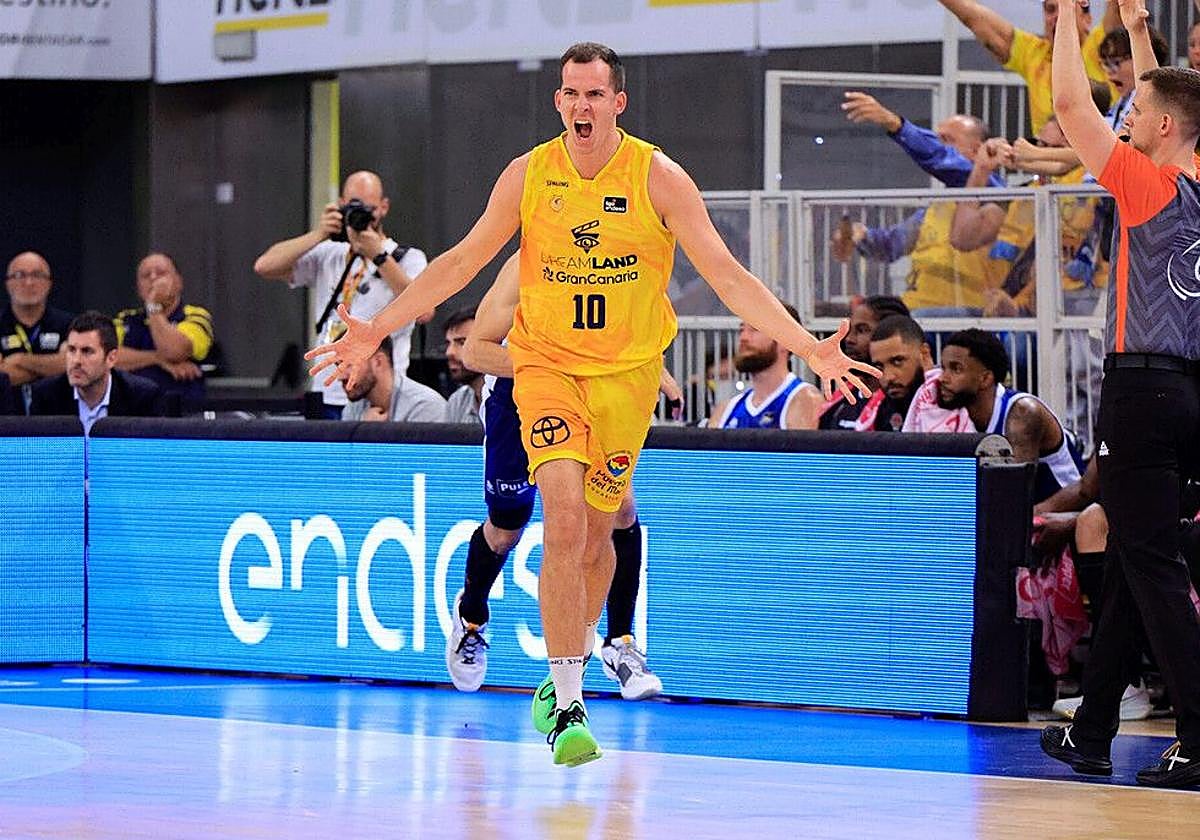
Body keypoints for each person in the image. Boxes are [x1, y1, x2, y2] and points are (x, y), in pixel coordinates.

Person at [306, 42, 876, 767]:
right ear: (559, 103)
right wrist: (377, 328)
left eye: (593, 95)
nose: (580, 106)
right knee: (563, 518)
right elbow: (458, 262)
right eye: (569, 94)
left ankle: (565, 670)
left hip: (627, 378)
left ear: (617, 103)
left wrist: (806, 345)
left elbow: (728, 276)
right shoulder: (530, 174)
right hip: (544, 368)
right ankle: (568, 700)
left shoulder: (657, 176)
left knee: (599, 537)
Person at [1037, 0, 1200, 790]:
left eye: (1135, 111)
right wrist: (1137, 34)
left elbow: (1071, 109)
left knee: (1154, 564)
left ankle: (1198, 737)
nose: (1123, 119)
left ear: (1164, 130)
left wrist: (1068, 17)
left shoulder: (1148, 187)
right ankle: (1094, 729)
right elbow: (1175, 95)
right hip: (1194, 396)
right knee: (1142, 558)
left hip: (1142, 393)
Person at [446, 253, 668, 702]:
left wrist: (647, 367)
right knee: (509, 526)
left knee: (617, 505)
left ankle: (620, 643)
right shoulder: (526, 264)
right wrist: (551, 365)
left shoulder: (614, 255)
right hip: (518, 396)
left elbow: (627, 327)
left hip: (590, 392)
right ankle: (471, 615)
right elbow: (476, 352)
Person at [253, 171, 430, 419]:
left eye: (368, 208)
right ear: (341, 206)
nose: (361, 215)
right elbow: (265, 266)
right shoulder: (330, 253)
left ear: (383, 207)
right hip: (326, 390)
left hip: (378, 392)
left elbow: (424, 311)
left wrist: (378, 257)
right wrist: (319, 233)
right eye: (352, 207)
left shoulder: (406, 258)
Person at [918, 328, 1084, 501]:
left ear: (985, 379)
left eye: (955, 369)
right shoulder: (957, 416)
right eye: (943, 368)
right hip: (1022, 515)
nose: (942, 378)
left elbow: (1014, 495)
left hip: (1066, 513)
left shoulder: (1023, 413)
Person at [935, 0, 1118, 135]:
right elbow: (974, 18)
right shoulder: (1033, 53)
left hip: (1094, 178)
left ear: (1087, 19)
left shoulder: (1104, 46)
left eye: (1067, 9)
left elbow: (1121, 6)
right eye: (1050, 9)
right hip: (1045, 180)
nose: (1057, 17)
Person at [113, 253, 214, 413]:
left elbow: (174, 351)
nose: (153, 278)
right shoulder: (125, 319)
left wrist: (153, 306)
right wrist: (157, 359)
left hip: (182, 413)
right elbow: (107, 358)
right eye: (146, 275)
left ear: (178, 282)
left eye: (161, 273)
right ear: (139, 288)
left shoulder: (195, 315)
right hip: (132, 412)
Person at [30, 311, 161, 433]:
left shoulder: (141, 397)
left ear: (111, 358)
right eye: (71, 350)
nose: (76, 360)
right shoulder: (46, 396)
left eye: (87, 351)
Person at [709, 301, 822, 429]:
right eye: (742, 329)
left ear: (785, 340)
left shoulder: (805, 400)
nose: (743, 337)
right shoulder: (726, 410)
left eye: (755, 329)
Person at [818, 295, 908, 431]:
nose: (849, 339)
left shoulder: (907, 402)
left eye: (862, 330)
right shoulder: (840, 400)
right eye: (849, 330)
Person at [1, 251, 72, 412]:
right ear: (8, 283)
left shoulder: (68, 324)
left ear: (49, 283)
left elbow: (70, 364)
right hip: (5, 422)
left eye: (37, 275)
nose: (29, 282)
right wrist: (49, 369)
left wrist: (19, 360)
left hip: (57, 420)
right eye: (20, 275)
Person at [337, 335, 446, 423]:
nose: (340, 377)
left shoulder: (425, 407)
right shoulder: (354, 407)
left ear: (378, 362)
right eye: (338, 366)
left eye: (349, 365)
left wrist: (366, 433)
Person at [861, 315, 934, 432]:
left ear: (924, 354)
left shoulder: (951, 406)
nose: (888, 377)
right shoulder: (878, 411)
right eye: (879, 366)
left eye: (897, 361)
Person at [442, 307, 484, 424]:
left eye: (461, 342)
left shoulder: (517, 399)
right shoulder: (457, 400)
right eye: (448, 344)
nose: (449, 352)